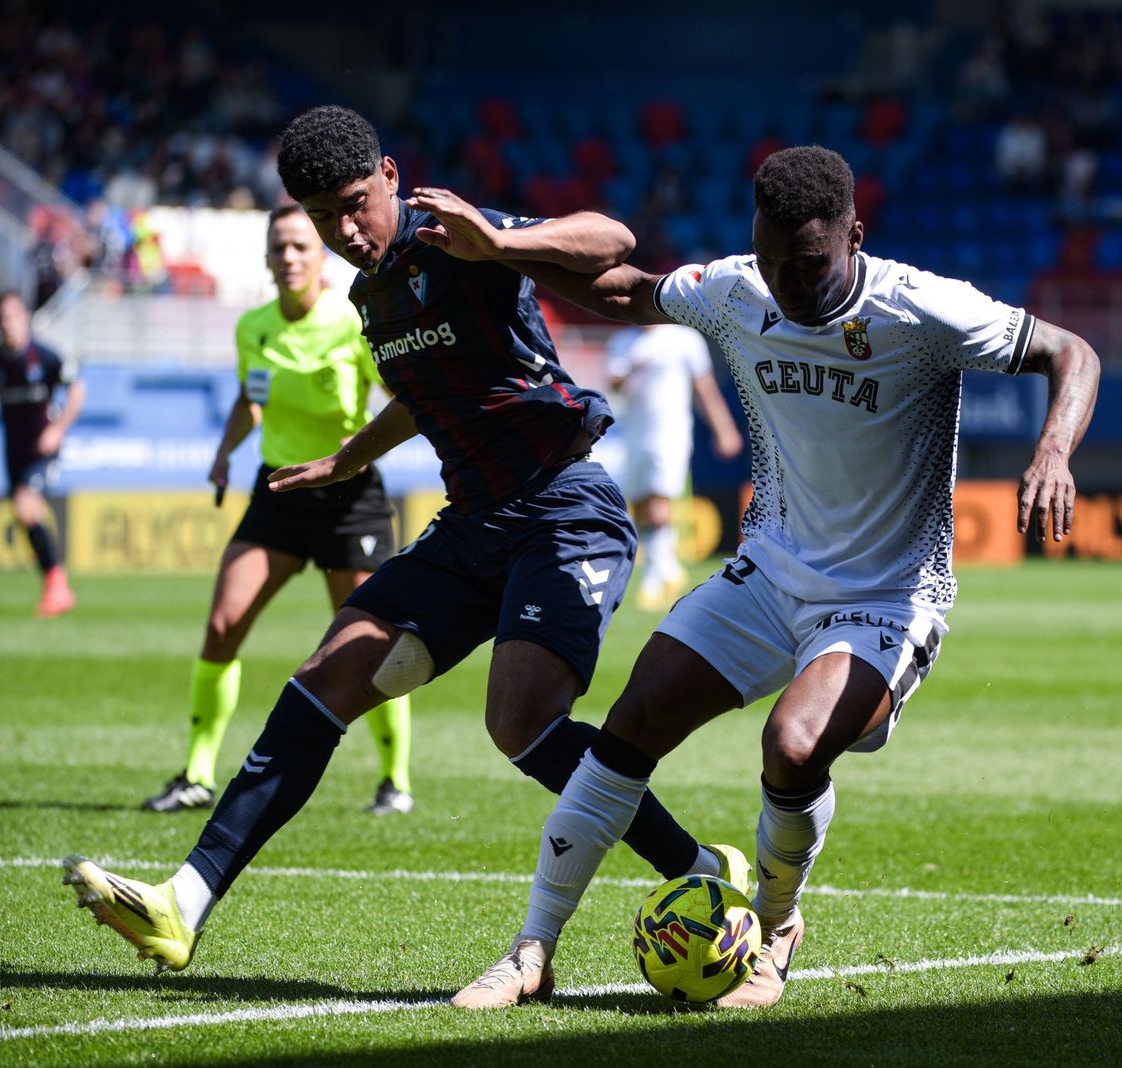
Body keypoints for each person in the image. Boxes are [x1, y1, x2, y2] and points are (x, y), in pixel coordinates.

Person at [62, 105, 745, 975]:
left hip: (564, 508)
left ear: (390, 176)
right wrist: (350, 456)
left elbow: (609, 237)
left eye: (355, 204)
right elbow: (428, 389)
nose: (344, 230)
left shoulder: (457, 235)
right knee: (325, 676)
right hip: (470, 526)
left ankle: (694, 867)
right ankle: (182, 903)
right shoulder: (369, 292)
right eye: (321, 219)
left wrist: (498, 246)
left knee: (521, 725)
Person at [448, 145, 1101, 1008]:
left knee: (793, 746)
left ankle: (777, 927)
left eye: (805, 265)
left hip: (885, 596)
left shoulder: (921, 309)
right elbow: (623, 291)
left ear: (853, 237)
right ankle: (531, 950)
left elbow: (1071, 350)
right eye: (768, 260)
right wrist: (501, 248)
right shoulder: (736, 291)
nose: (784, 284)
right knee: (629, 726)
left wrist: (1052, 449)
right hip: (766, 575)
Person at [141, 204, 415, 818]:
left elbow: (406, 398)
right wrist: (223, 452)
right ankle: (196, 774)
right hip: (279, 491)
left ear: (321, 256)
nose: (288, 258)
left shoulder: (353, 323)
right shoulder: (254, 328)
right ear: (266, 259)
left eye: (299, 246)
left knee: (372, 644)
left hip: (351, 496)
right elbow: (250, 398)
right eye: (278, 248)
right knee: (221, 626)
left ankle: (394, 782)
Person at [605, 324, 743, 610]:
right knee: (640, 503)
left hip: (670, 432)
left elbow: (704, 387)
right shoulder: (624, 340)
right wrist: (630, 370)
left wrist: (724, 429)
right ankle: (664, 569)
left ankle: (660, 575)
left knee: (659, 499)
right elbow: (614, 384)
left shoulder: (683, 339)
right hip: (633, 432)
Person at [0, 292, 85, 618]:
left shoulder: (44, 357)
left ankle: (58, 587)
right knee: (25, 515)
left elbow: (77, 391)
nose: (9, 324)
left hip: (44, 451)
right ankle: (55, 586)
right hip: (14, 453)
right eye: (2, 318)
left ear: (25, 318)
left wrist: (58, 429)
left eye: (14, 316)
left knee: (25, 506)